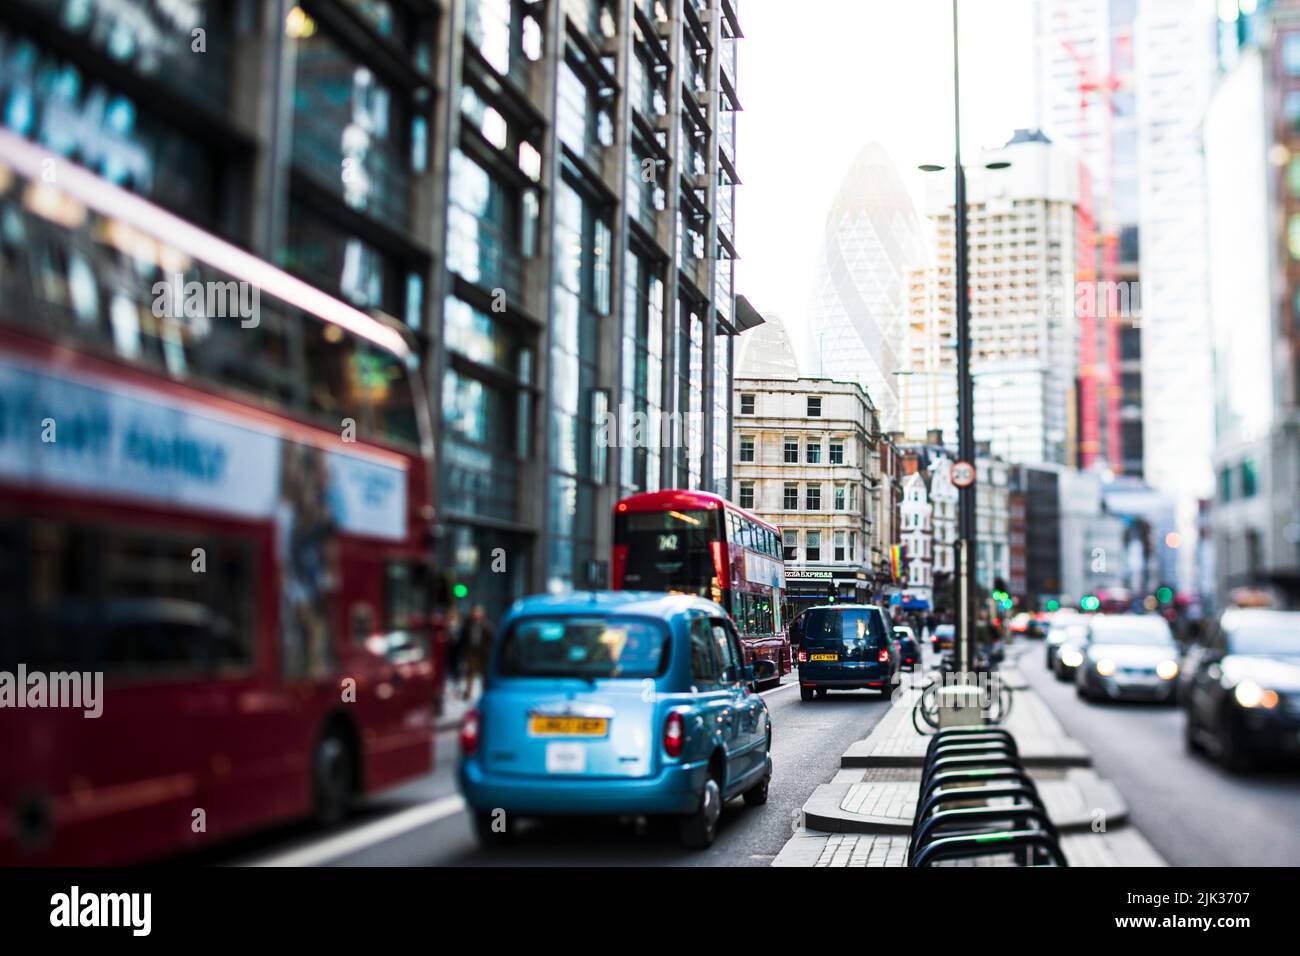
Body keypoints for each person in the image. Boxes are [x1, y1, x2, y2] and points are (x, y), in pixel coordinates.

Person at [459, 605, 496, 701]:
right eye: (475, 612)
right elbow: (463, 638)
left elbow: (492, 639)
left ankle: (485, 692)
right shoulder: (467, 624)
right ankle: (468, 692)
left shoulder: (487, 625)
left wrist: (489, 650)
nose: (476, 614)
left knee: (484, 674)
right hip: (471, 651)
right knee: (470, 673)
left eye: (478, 612)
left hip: (483, 652)